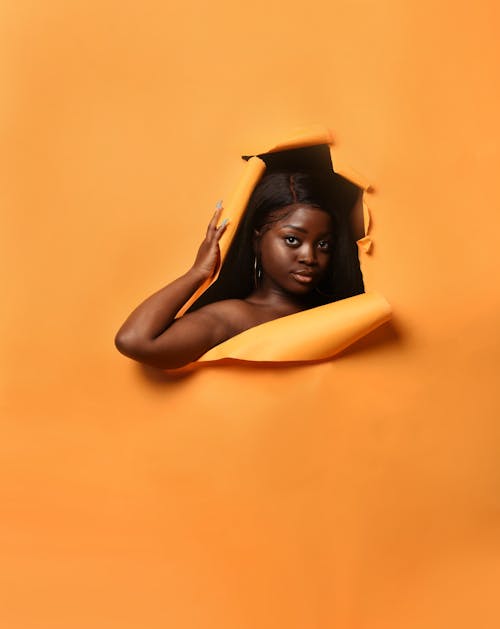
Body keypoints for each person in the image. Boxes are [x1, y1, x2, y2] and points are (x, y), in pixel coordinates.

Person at [114, 171, 364, 369]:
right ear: (257, 241)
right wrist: (198, 272)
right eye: (292, 240)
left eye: (323, 244)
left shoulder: (335, 308)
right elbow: (135, 340)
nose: (309, 257)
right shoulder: (235, 316)